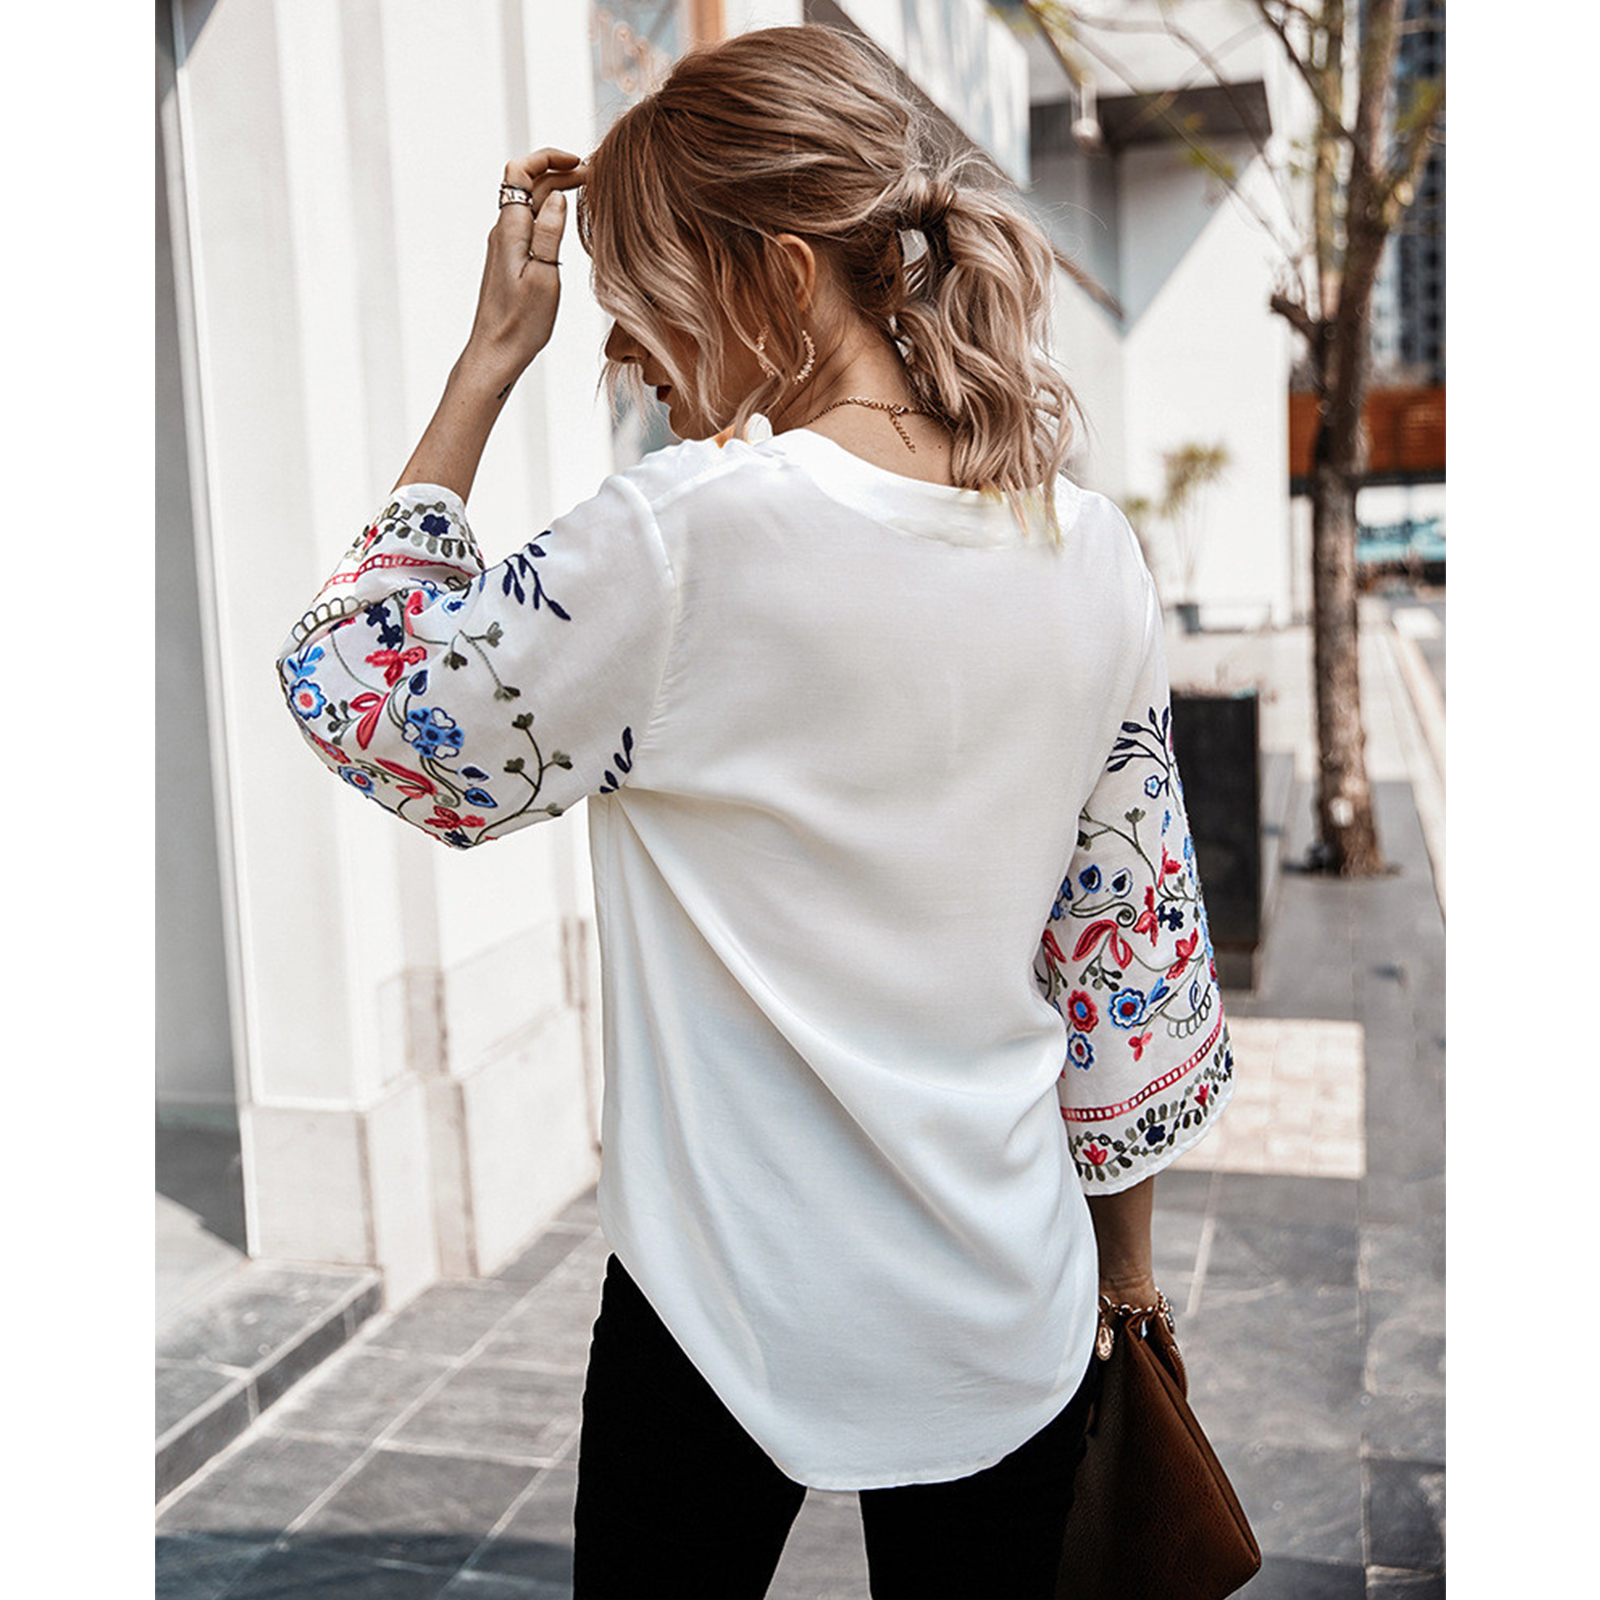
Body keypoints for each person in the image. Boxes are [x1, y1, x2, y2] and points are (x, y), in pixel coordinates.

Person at [275, 24, 1235, 1600]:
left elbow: (363, 696)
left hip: (717, 1314)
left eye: (651, 305)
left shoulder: (683, 539)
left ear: (783, 280)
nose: (631, 354)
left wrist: (485, 363)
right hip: (1009, 1298)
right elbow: (1125, 955)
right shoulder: (1092, 551)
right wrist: (1125, 1282)